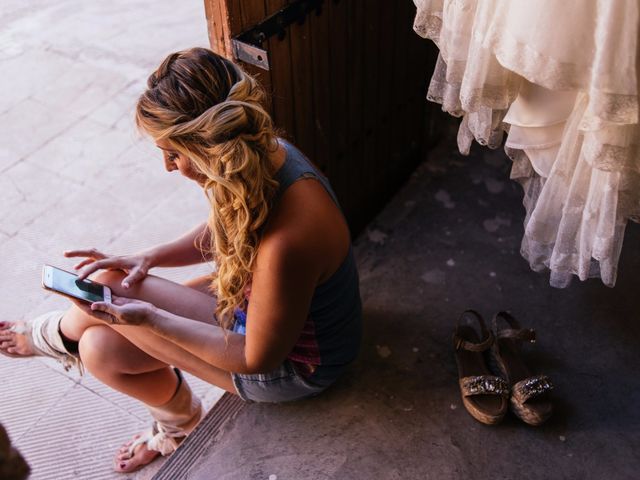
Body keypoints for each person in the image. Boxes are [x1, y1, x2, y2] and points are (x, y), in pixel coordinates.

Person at [0, 47, 362, 474]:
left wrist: (152, 319)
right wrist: (148, 257)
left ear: (209, 143)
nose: (169, 167)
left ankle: (53, 337)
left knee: (109, 313)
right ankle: (171, 417)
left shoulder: (286, 244)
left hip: (294, 369)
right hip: (259, 310)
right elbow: (231, 223)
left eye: (174, 153)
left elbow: (254, 358)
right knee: (100, 346)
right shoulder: (267, 152)